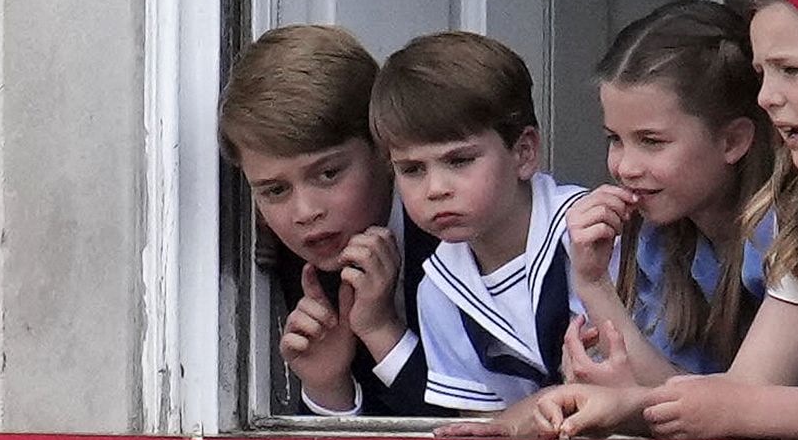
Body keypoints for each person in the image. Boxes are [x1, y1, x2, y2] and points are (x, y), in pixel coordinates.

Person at [537, 0, 798, 440]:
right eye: (762, 74)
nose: (768, 97)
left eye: (791, 71)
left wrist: (647, 402)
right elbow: (737, 395)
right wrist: (618, 401)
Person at [564, 0, 798, 384]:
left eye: (652, 141)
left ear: (732, 141)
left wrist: (597, 293)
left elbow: (711, 409)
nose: (625, 167)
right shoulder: (661, 239)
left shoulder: (786, 228)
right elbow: (670, 389)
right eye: (615, 139)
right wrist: (593, 283)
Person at [217, 24, 439, 417]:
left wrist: (381, 330)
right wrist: (327, 387)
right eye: (274, 191)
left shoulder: (457, 231)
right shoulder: (298, 262)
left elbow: (479, 430)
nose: (305, 212)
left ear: (385, 152)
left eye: (328, 174)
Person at [369, 31, 589, 414]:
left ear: (523, 153)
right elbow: (483, 429)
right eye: (412, 169)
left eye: (459, 161)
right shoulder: (438, 290)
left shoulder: (588, 230)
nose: (436, 188)